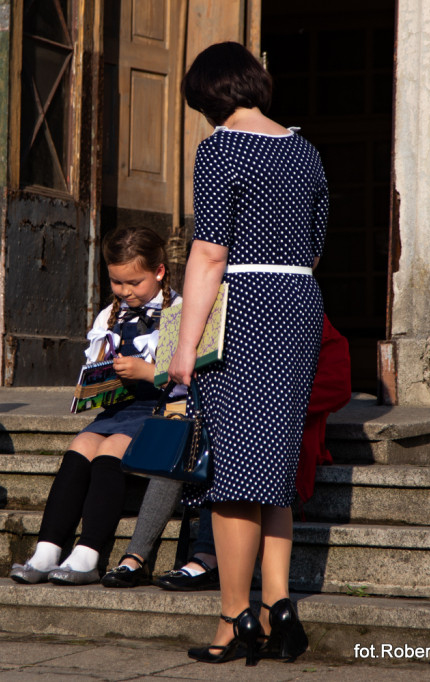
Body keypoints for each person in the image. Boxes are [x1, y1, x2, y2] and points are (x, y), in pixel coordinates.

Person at [169, 42, 329, 666]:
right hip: (298, 301)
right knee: (275, 466)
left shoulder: (221, 150)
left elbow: (208, 254)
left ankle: (233, 618)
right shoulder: (305, 149)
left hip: (247, 307)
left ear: (210, 96)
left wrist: (185, 349)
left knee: (236, 473)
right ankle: (277, 604)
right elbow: (316, 247)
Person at [100, 315, 349, 591]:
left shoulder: (309, 319)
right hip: (212, 416)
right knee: (179, 448)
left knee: (225, 448)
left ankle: (207, 556)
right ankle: (136, 556)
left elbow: (338, 387)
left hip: (275, 431)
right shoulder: (217, 309)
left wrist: (263, 405)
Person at [10, 226, 181, 586]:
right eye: (117, 282)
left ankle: (88, 554)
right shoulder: (109, 315)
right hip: (118, 408)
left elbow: (187, 377)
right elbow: (96, 363)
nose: (125, 291)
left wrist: (148, 371)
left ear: (160, 272)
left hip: (159, 409)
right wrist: (94, 383)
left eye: (133, 282)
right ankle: (47, 548)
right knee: (79, 449)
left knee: (110, 451)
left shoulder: (179, 312)